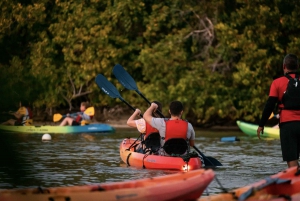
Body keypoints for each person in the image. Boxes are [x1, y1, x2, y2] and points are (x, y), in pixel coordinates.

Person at [257, 54, 300, 168]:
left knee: (292, 159)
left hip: (288, 125)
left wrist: (261, 124)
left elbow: (270, 105)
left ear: (284, 66)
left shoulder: (277, 82)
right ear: (297, 66)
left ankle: (297, 181)